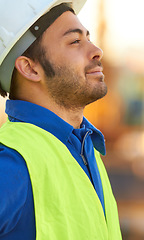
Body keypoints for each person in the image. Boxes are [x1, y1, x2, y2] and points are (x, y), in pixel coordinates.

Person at [0, 0, 122, 239]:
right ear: (30, 68)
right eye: (75, 41)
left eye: (88, 38)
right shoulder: (11, 163)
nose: (97, 50)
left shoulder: (86, 148)